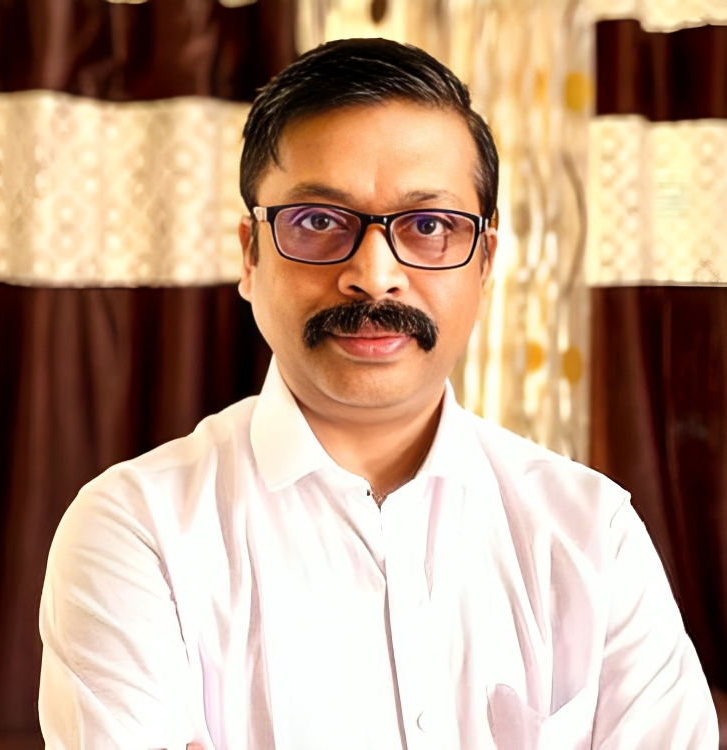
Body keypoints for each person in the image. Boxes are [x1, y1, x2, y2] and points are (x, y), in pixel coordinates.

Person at [38, 38, 717, 749]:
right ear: (250, 254)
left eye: (428, 226)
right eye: (318, 222)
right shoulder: (135, 531)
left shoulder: (591, 534)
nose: (374, 275)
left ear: (485, 263)